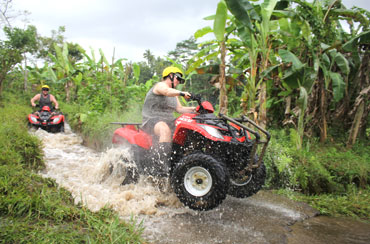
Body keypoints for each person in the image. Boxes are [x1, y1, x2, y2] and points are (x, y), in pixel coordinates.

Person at [141, 66, 196, 176]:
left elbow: (180, 109)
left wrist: (196, 110)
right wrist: (182, 93)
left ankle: (184, 160)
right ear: (170, 75)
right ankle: (160, 166)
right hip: (152, 120)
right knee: (164, 129)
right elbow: (166, 91)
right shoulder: (160, 86)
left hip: (169, 120)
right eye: (178, 78)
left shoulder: (174, 94)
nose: (179, 82)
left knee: (189, 129)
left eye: (180, 80)